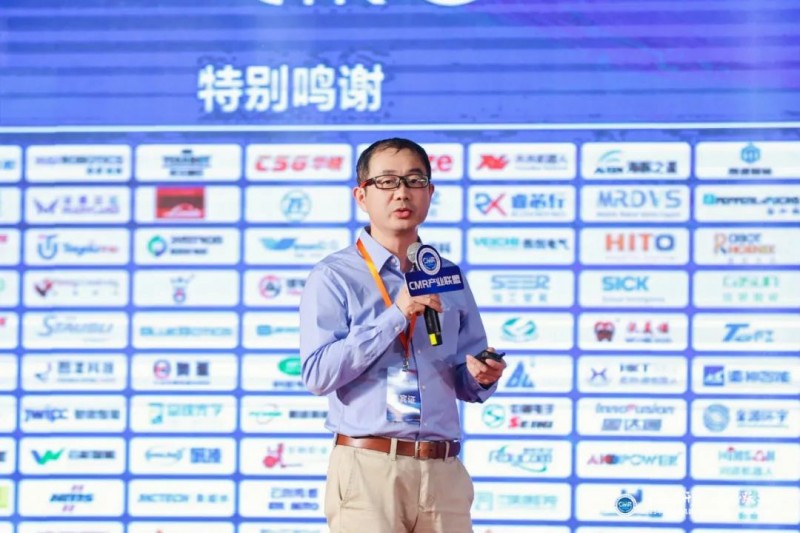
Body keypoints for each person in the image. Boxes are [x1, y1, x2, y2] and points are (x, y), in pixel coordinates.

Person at [299, 137, 506, 533]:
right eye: (387, 182)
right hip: (370, 469)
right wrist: (396, 314)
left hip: (443, 470)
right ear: (362, 196)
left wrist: (481, 375)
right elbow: (318, 375)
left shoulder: (447, 275)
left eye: (414, 180)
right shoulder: (334, 276)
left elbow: (465, 375)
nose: (402, 193)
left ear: (430, 192)